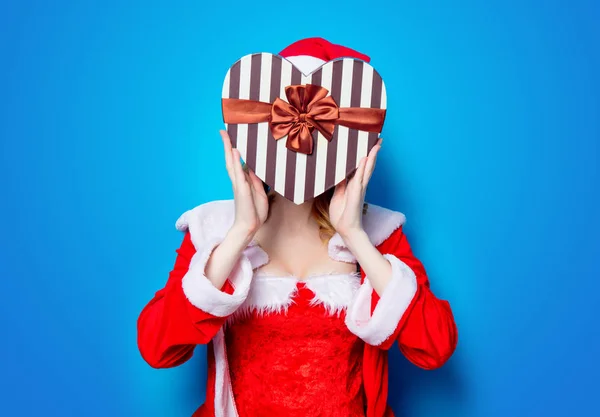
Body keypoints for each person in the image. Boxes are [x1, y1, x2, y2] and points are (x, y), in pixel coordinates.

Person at [137, 37, 458, 417]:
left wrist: (355, 235)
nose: (301, 145)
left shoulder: (379, 234)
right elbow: (158, 349)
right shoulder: (214, 231)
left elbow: (435, 348)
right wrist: (241, 230)